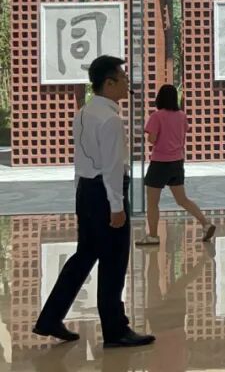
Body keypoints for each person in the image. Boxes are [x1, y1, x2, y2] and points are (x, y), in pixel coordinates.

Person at [34, 55, 155, 349]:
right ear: (108, 83)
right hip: (105, 194)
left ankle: (50, 318)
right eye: (123, 78)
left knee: (84, 256)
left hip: (87, 192)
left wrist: (83, 194)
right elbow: (112, 168)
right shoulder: (110, 120)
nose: (127, 83)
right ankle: (115, 330)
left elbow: (82, 159)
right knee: (113, 262)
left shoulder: (84, 113)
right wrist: (117, 207)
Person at [136, 84, 215, 247]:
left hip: (159, 163)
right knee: (182, 199)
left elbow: (152, 139)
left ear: (160, 98)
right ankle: (205, 223)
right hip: (177, 162)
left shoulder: (156, 116)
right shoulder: (181, 116)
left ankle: (153, 236)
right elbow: (183, 132)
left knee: (152, 202)